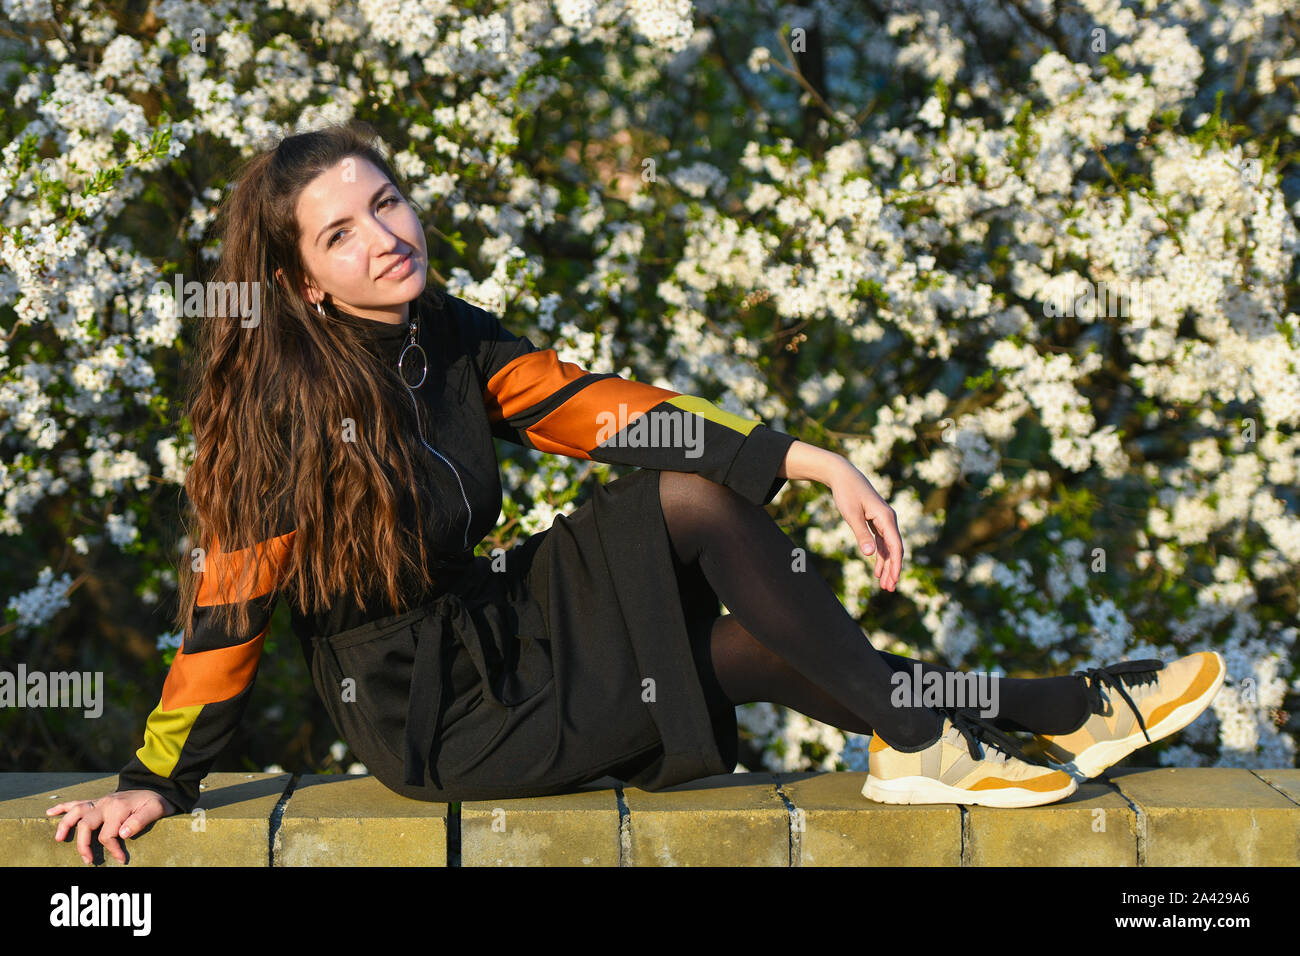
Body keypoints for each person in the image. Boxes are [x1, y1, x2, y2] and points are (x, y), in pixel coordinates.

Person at [48, 121, 1226, 864]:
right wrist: (158, 776)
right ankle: (952, 728)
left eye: (388, 203)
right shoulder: (273, 412)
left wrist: (802, 457)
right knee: (687, 507)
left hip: (506, 621)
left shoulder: (446, 335)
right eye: (341, 233)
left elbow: (598, 408)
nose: (383, 238)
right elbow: (226, 608)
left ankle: (1037, 708)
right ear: (300, 279)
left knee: (752, 643)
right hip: (431, 707)